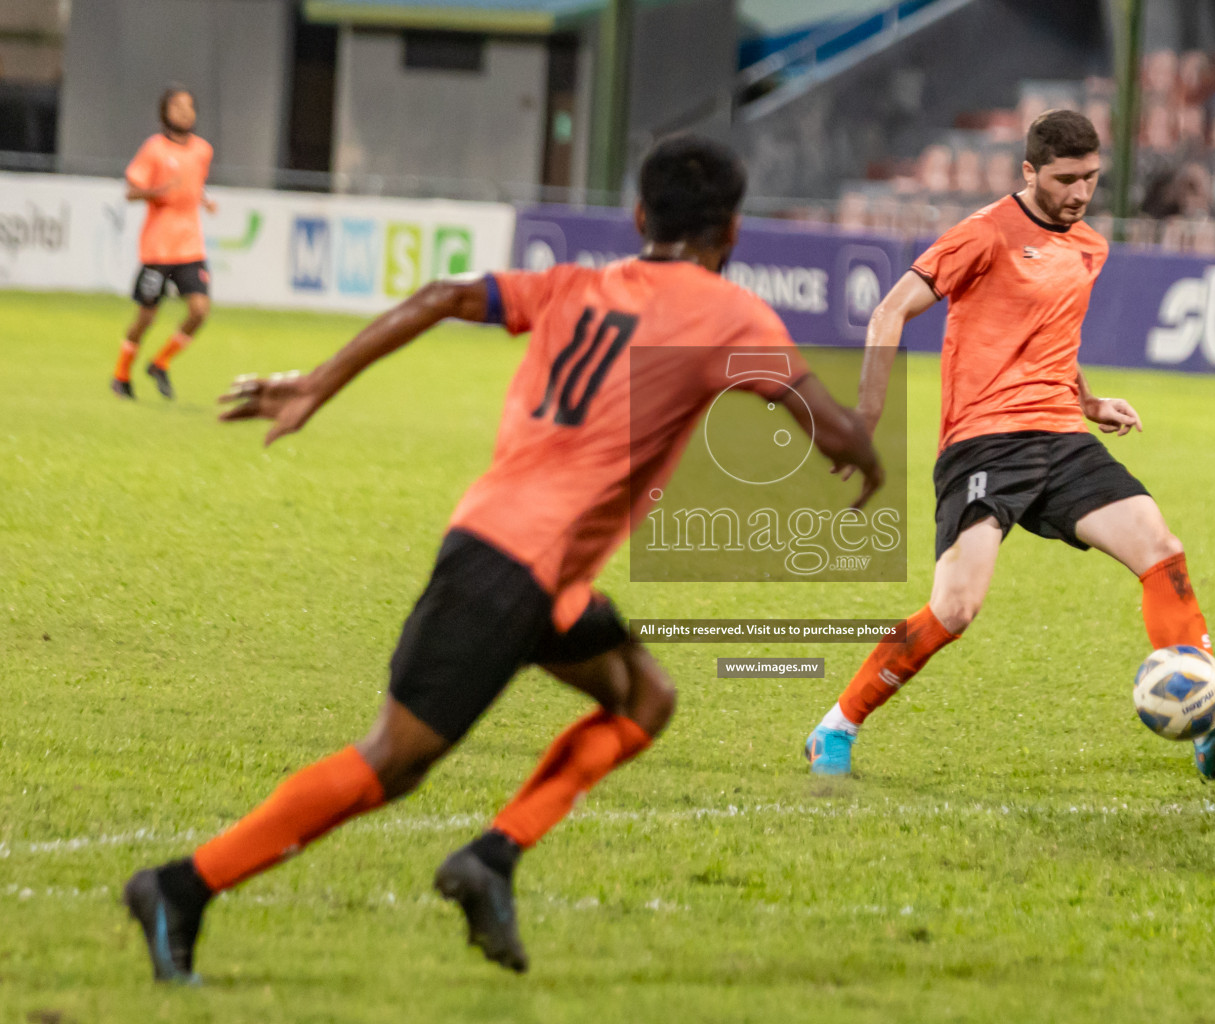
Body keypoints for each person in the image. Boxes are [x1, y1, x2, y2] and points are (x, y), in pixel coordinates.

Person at [121, 135, 883, 983]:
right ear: (733, 232)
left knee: (643, 697)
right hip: (507, 571)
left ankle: (492, 858)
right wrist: (868, 437)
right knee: (392, 762)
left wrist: (317, 382)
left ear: (639, 215)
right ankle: (181, 888)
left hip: (529, 565)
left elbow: (445, 294)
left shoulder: (573, 285)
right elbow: (840, 430)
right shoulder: (730, 315)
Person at [802, 110, 1215, 781]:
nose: (1079, 192)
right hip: (983, 442)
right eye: (1065, 179)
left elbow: (1054, 334)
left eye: (1090, 178)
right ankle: (836, 726)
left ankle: (1209, 731)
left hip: (1060, 435)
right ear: (1029, 171)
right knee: (955, 607)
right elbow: (890, 310)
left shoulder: (1089, 245)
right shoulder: (984, 233)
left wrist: (1088, 403)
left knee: (1160, 549)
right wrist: (864, 415)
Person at [111, 86, 216, 401]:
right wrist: (156, 191)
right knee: (146, 316)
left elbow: (193, 185)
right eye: (177, 106)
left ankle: (160, 362)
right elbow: (131, 192)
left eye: (189, 106)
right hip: (158, 248)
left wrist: (204, 200)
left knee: (199, 310)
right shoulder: (154, 149)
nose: (184, 112)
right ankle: (121, 375)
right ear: (165, 113)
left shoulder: (202, 151)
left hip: (190, 247)